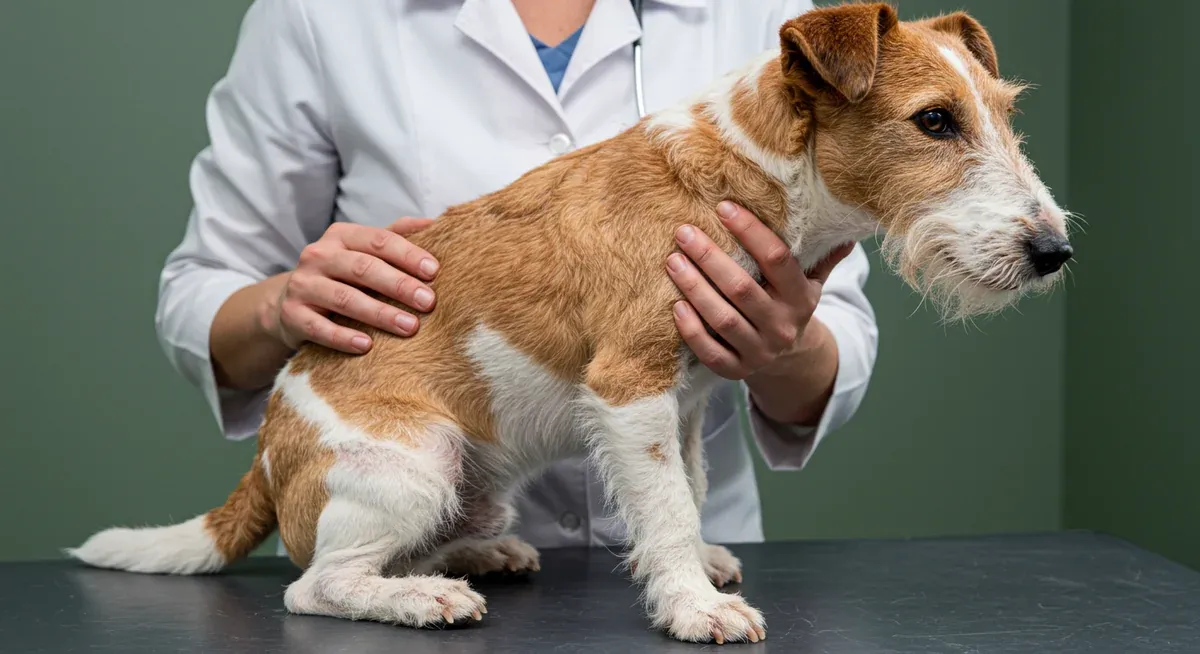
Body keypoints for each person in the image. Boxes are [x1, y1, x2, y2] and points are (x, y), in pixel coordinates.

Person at [155, 0, 879, 550]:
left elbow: (837, 336)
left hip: (696, 554)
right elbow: (199, 288)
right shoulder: (320, 16)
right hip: (403, 501)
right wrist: (280, 304)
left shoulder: (761, 14)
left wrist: (786, 343)